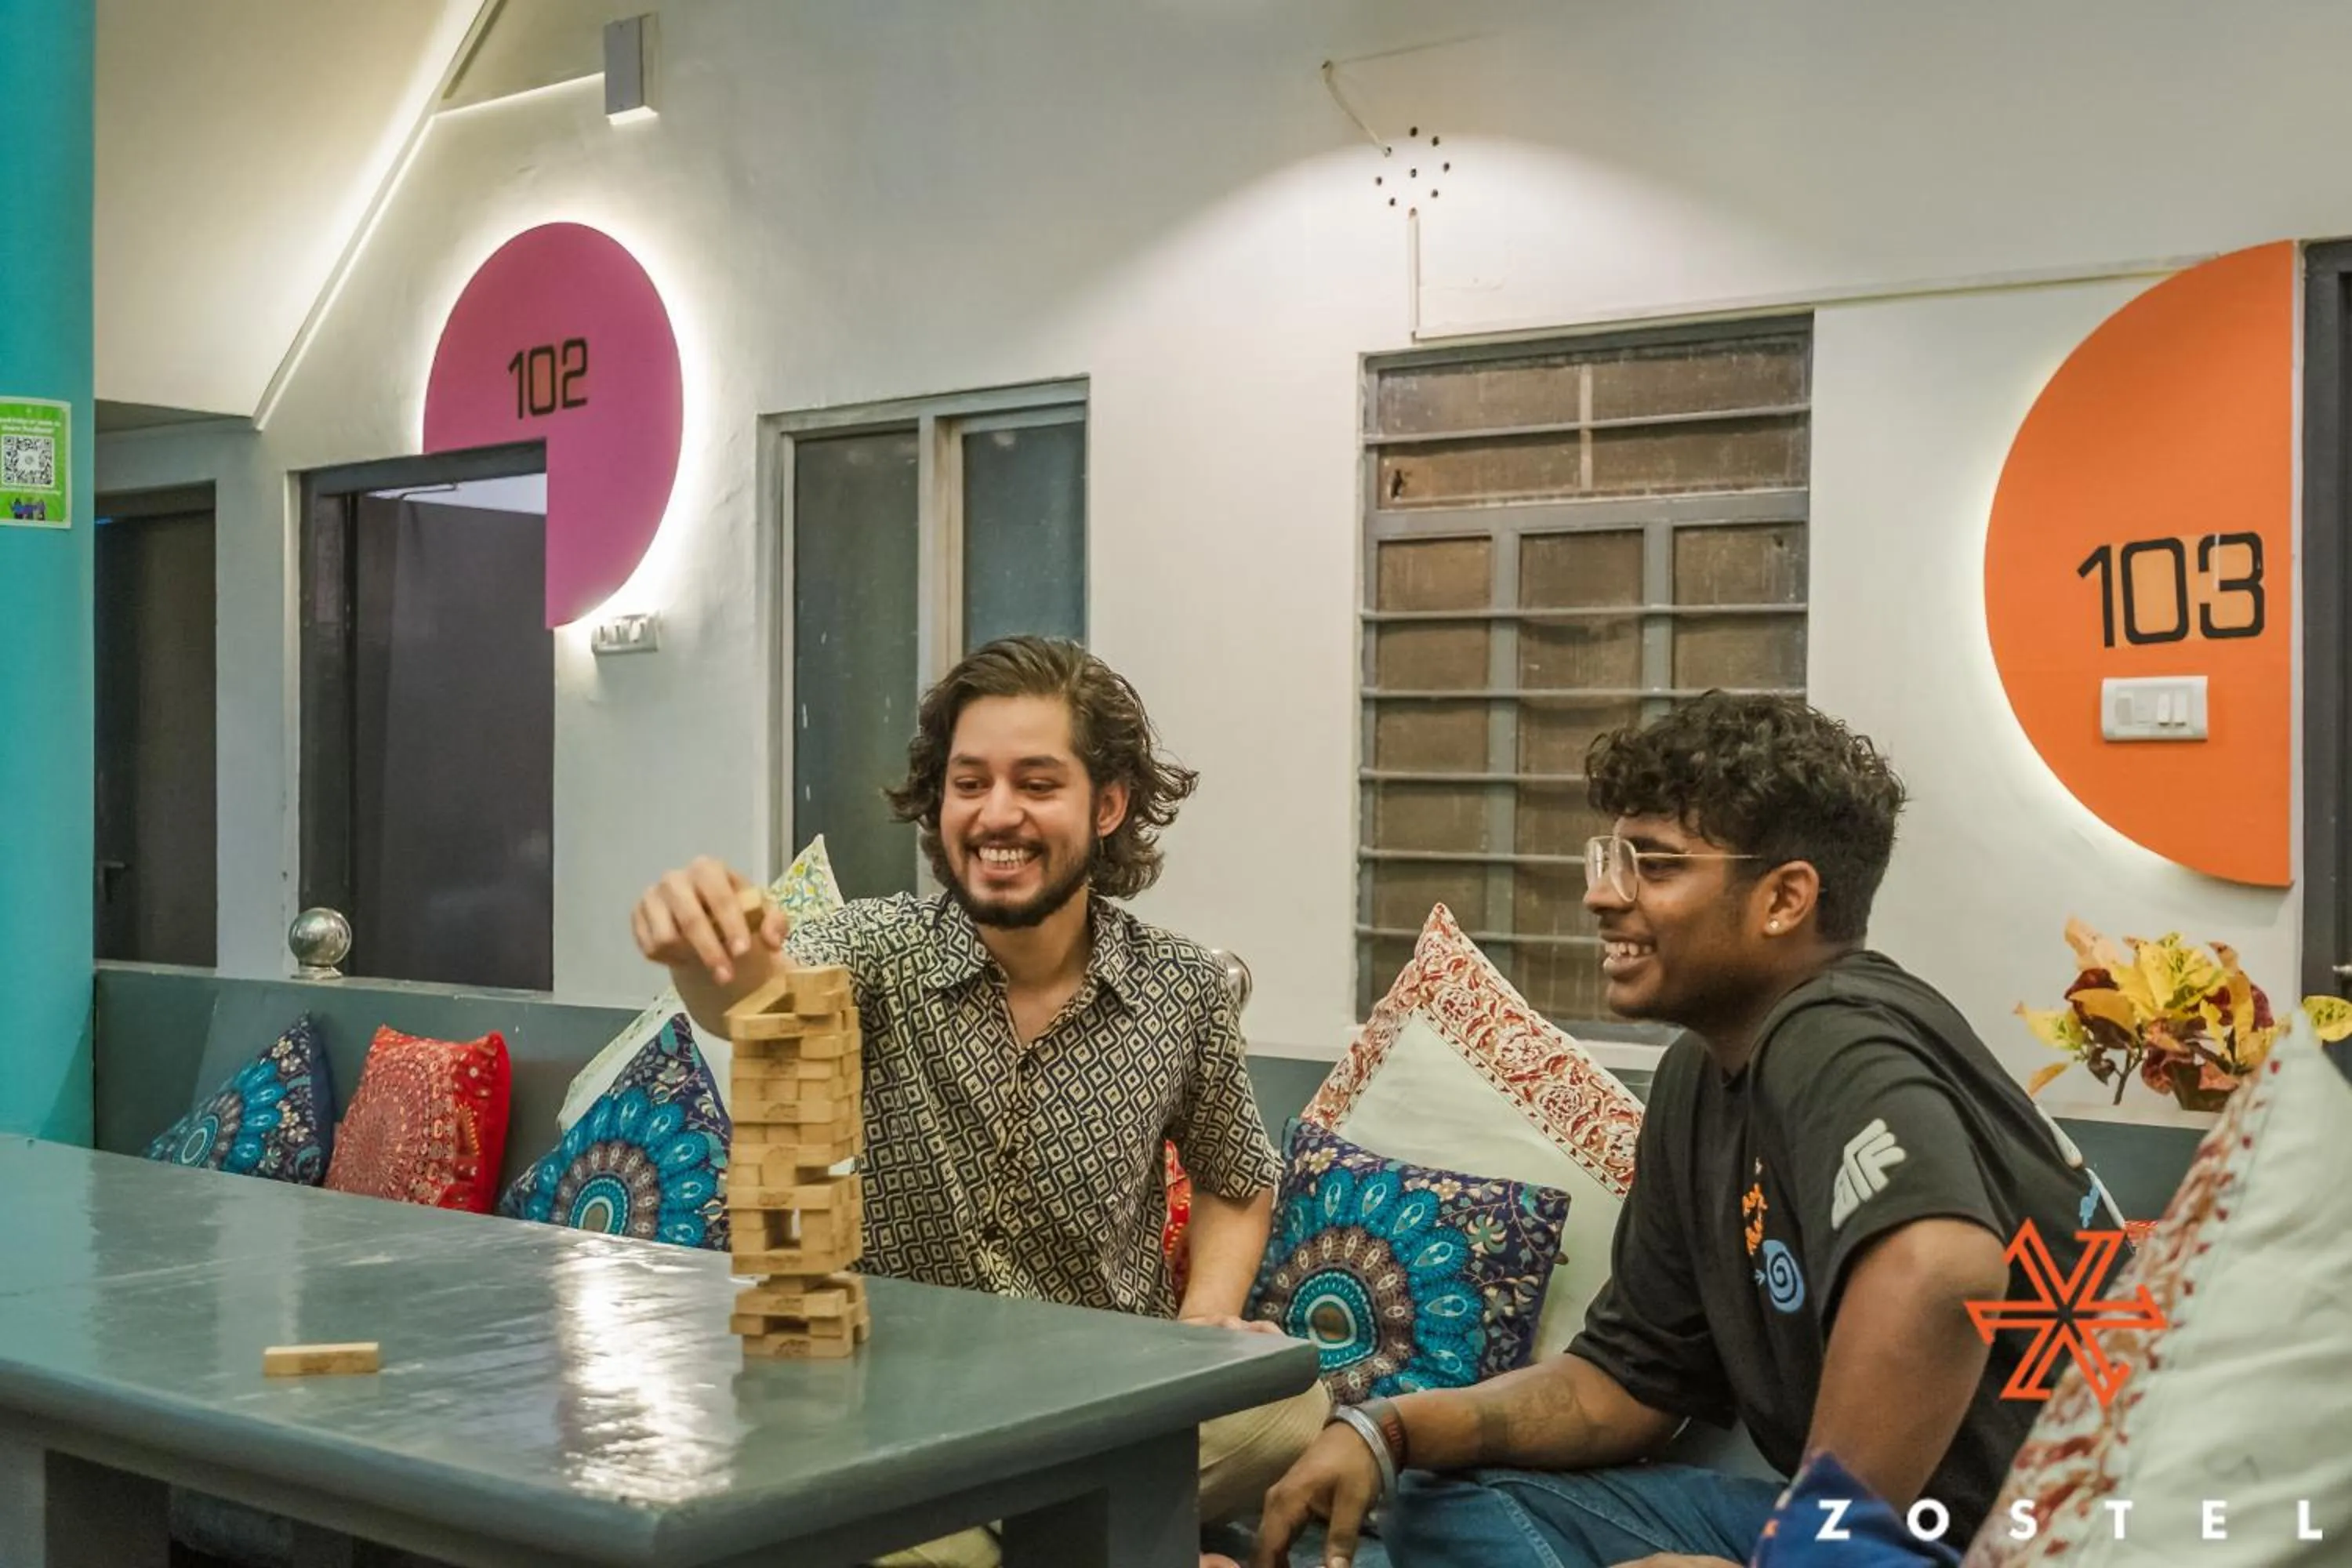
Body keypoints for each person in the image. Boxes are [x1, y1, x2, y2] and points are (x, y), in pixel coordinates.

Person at [1253, 693, 2115, 1568]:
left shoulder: (1836, 1031)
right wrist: (1387, 1427)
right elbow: (1624, 1385)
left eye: (1655, 866)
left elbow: (1940, 1270)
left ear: (1784, 898)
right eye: (1610, 858)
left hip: (2044, 1544)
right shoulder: (1699, 1079)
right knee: (1445, 1489)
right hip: (1885, 1533)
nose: (1601, 893)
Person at [632, 635, 1327, 1568]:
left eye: (1037, 782)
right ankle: (1092, 1540)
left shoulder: (1182, 986)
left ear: (1108, 803)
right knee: (894, 1530)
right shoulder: (881, 950)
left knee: (1294, 1402)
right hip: (900, 1412)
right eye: (970, 782)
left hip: (1105, 1400)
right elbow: (762, 996)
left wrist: (1203, 1326)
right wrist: (705, 946)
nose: (997, 813)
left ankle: (1036, 1530)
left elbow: (1236, 1177)